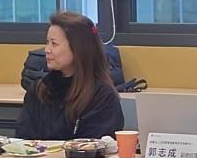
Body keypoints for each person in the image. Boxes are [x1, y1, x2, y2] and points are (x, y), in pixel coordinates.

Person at [15, 12, 124, 140]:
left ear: (78, 48)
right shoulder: (39, 90)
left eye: (54, 44)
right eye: (47, 42)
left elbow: (94, 146)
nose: (47, 50)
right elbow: (22, 139)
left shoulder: (102, 96)